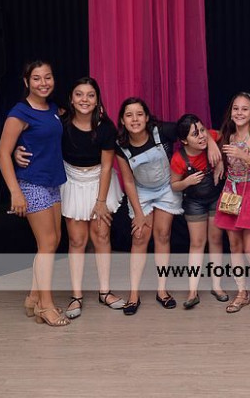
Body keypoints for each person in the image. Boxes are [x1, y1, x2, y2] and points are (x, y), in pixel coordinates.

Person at [16, 77, 125, 318]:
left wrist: (101, 202)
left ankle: (105, 292)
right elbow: (38, 140)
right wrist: (16, 150)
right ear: (72, 99)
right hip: (71, 181)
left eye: (90, 95)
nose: (85, 99)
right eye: (79, 94)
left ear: (97, 101)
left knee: (101, 236)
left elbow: (107, 167)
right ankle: (76, 296)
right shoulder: (61, 123)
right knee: (76, 240)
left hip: (99, 182)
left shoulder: (106, 128)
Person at [0, 60, 69, 326]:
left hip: (53, 183)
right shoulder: (20, 112)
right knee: (47, 244)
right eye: (37, 78)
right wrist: (15, 192)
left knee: (54, 240)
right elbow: (3, 153)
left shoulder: (53, 109)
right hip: (31, 183)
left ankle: (33, 297)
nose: (43, 83)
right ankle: (45, 306)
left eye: (47, 77)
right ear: (26, 82)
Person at [115, 97, 184, 315]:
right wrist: (138, 213)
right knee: (139, 237)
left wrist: (210, 142)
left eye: (139, 114)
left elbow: (192, 129)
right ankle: (133, 294)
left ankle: (161, 290)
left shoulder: (161, 131)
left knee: (162, 235)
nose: (134, 119)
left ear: (146, 117)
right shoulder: (121, 145)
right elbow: (128, 181)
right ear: (122, 120)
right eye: (129, 115)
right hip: (141, 191)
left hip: (166, 188)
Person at [215, 92, 250, 315]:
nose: (239, 112)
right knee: (234, 246)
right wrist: (220, 162)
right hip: (231, 192)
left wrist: (245, 155)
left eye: (244, 109)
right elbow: (204, 136)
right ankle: (242, 293)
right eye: (236, 108)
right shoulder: (227, 135)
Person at [170, 113, 227, 308]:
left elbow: (220, 134)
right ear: (184, 140)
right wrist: (186, 182)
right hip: (194, 202)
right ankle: (192, 290)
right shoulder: (179, 159)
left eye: (202, 130)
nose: (201, 135)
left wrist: (214, 147)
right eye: (195, 134)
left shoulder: (209, 138)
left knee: (216, 240)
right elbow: (174, 185)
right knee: (197, 243)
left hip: (215, 198)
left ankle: (217, 286)